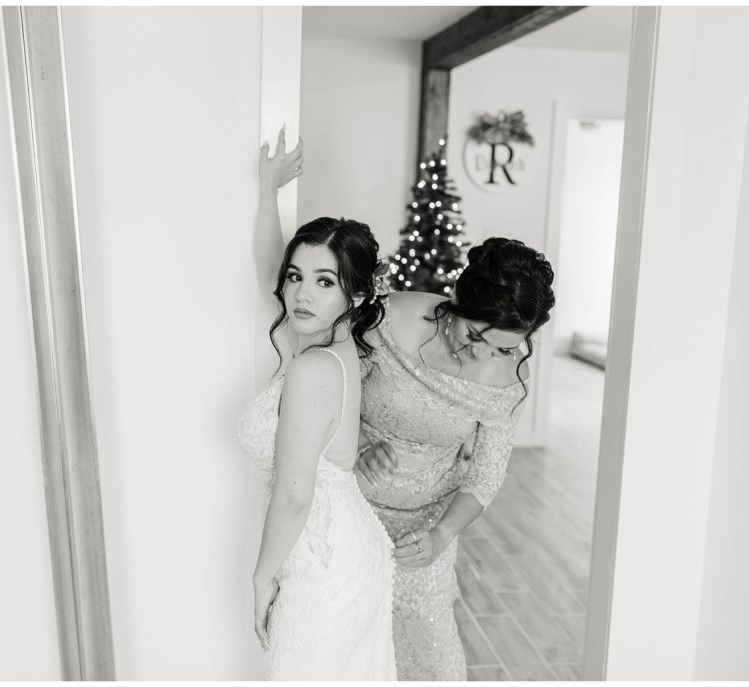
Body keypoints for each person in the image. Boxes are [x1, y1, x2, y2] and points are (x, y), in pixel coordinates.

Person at [258, 138, 556, 680]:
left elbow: (486, 475)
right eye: (476, 334)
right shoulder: (388, 320)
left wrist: (441, 536)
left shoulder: (508, 379)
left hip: (426, 530)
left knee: (428, 657)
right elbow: (328, 360)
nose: (484, 355)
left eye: (506, 347)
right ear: (453, 306)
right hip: (352, 512)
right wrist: (361, 446)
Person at [237, 128, 396, 680]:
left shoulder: (311, 367)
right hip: (340, 547)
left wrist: (262, 577)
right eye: (297, 277)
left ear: (354, 296)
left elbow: (295, 493)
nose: (302, 293)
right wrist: (268, 191)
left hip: (324, 564)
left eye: (324, 282)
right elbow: (269, 277)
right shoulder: (327, 342)